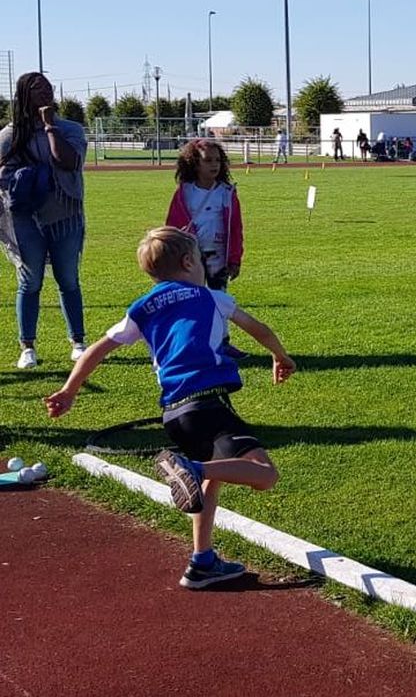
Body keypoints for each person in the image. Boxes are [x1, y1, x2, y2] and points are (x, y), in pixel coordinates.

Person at [45, 226, 296, 589]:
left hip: (174, 413)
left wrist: (69, 391)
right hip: (207, 403)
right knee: (264, 474)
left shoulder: (142, 308)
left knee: (212, 479)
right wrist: (281, 356)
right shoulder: (212, 298)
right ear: (189, 262)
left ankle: (202, 561)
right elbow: (259, 329)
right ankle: (189, 468)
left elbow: (97, 349)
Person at [0, 72, 87, 369]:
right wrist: (24, 180)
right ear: (23, 95)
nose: (45, 93)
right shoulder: (9, 135)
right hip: (25, 218)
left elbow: (68, 161)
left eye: (48, 87)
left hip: (65, 214)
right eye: (37, 89)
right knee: (30, 281)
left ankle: (78, 342)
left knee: (68, 279)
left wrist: (50, 126)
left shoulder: (70, 129)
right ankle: (27, 347)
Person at [165, 138, 246, 358]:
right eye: (208, 160)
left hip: (218, 257)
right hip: (190, 257)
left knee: (219, 299)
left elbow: (236, 228)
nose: (214, 165)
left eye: (217, 160)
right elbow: (172, 224)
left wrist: (235, 258)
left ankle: (222, 342)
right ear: (194, 163)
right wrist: (173, 254)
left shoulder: (227, 192)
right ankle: (192, 343)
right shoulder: (185, 192)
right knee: (192, 300)